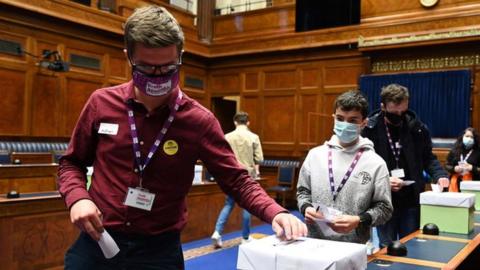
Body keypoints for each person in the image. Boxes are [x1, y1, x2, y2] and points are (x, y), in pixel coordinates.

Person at [57, 6, 306, 270]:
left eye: (167, 67)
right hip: (98, 241)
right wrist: (78, 198)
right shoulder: (101, 103)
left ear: (180, 56)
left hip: (158, 251)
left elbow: (236, 180)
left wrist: (275, 211)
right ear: (128, 58)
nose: (158, 76)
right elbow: (71, 163)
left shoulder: (198, 120)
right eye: (146, 67)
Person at [296, 90, 393, 244]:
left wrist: (359, 220)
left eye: (353, 120)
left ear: (364, 123)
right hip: (314, 241)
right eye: (340, 119)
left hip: (354, 245)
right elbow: (303, 192)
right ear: (333, 118)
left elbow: (385, 208)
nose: (345, 125)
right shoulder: (315, 155)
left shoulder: (376, 163)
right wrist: (306, 208)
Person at [361, 83, 449, 248]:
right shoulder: (369, 129)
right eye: (394, 112)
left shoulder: (417, 128)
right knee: (387, 246)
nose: (399, 115)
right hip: (383, 199)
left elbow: (428, 158)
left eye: (403, 111)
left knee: (411, 245)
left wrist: (440, 175)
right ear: (383, 106)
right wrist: (384, 180)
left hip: (410, 198)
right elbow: (361, 165)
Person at [211, 111, 263, 248]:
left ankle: (217, 232)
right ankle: (245, 237)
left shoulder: (227, 137)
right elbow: (260, 159)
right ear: (248, 122)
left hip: (231, 175)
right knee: (247, 206)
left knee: (228, 205)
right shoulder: (254, 137)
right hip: (247, 176)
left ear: (235, 122)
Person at [445, 127, 480, 192]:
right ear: (462, 137)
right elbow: (447, 165)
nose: (469, 139)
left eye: (471, 137)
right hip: (455, 182)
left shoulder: (478, 152)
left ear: (475, 139)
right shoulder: (455, 150)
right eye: (467, 136)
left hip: (473, 184)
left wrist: (473, 168)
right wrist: (454, 168)